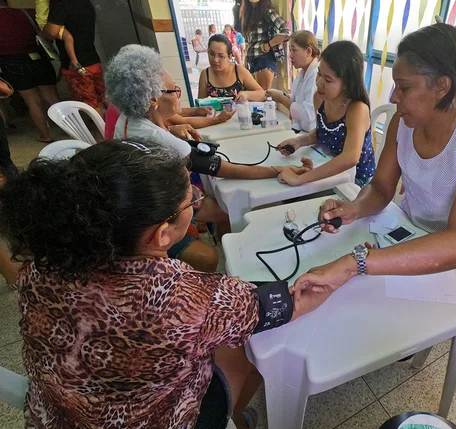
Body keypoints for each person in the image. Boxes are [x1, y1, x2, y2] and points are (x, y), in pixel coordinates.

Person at [0, 140, 331, 429]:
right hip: (158, 420)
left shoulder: (43, 262)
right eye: (192, 200)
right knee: (253, 347)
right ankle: (236, 418)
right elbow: (285, 304)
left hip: (57, 416)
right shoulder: (182, 297)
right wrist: (351, 264)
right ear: (161, 234)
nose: (197, 201)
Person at [292, 21, 456, 309]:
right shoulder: (403, 122)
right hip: (410, 232)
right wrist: (354, 208)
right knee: (347, 300)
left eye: (404, 87)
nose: (393, 97)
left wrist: (356, 263)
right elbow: (382, 186)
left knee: (365, 307)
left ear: (442, 86)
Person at [106, 45, 313, 257]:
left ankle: (221, 243)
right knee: (225, 211)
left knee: (215, 195)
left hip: (138, 198)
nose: (179, 94)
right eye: (174, 90)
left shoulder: (129, 118)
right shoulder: (165, 142)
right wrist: (277, 169)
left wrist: (172, 129)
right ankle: (231, 255)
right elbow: (225, 169)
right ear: (153, 101)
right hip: (148, 217)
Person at [276, 40, 376, 187]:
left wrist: (301, 179)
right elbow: (322, 132)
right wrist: (299, 141)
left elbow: (350, 158)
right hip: (329, 164)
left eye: (328, 80)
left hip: (356, 181)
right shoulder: (320, 98)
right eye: (319, 74)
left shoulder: (357, 109)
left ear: (347, 84)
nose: (319, 82)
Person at [0, 1, 60, 143]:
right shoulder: (26, 13)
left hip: (12, 62)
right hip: (38, 58)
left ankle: (46, 135)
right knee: (52, 98)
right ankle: (71, 128)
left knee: (32, 101)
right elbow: (43, 33)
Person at [42, 0, 106, 116]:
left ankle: (103, 133)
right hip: (92, 59)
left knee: (90, 105)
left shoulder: (60, 3)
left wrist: (42, 27)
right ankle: (109, 130)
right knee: (101, 99)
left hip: (76, 65)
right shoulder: (85, 2)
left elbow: (51, 31)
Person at [266, 30, 319, 132]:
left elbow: (308, 113)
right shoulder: (302, 73)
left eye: (294, 50)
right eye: (290, 50)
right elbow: (298, 99)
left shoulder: (315, 76)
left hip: (310, 134)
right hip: (301, 129)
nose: (290, 55)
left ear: (309, 51)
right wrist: (281, 95)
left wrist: (282, 99)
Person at [198, 35, 265, 103]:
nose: (215, 60)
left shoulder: (239, 71)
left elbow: (263, 94)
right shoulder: (205, 74)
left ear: (229, 57)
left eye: (221, 56)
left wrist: (247, 94)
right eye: (211, 54)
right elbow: (201, 104)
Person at [240, 0, 290, 90]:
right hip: (252, 61)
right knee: (256, 99)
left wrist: (268, 45)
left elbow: (286, 31)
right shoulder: (248, 13)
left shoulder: (268, 11)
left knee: (263, 96)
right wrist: (245, 61)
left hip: (264, 59)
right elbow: (248, 41)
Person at [35, 0, 85, 74]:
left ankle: (63, 69)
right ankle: (75, 63)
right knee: (68, 37)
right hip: (45, 23)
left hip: (44, 21)